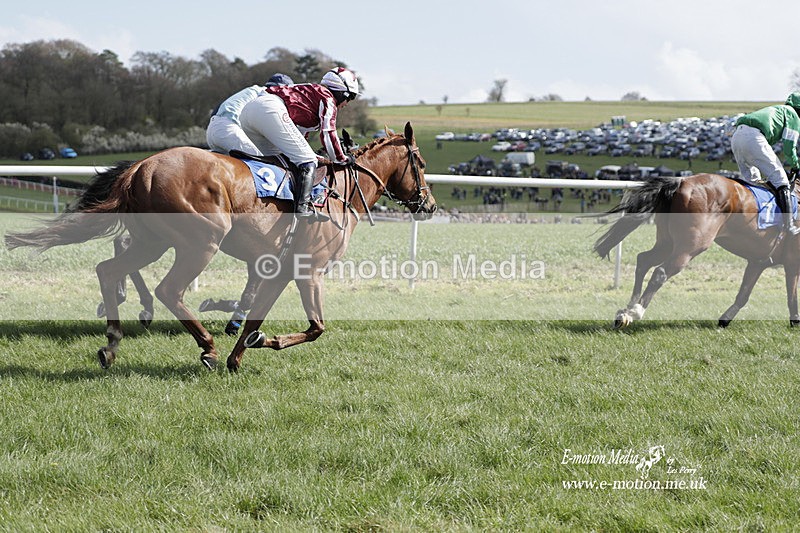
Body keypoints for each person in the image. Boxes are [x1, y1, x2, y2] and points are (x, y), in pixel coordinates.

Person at [237, 67, 359, 218]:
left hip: (248, 112)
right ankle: (302, 207)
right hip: (269, 109)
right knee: (308, 161)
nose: (347, 103)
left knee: (280, 162)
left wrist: (319, 157)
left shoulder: (310, 95)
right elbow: (328, 133)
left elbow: (299, 140)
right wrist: (342, 159)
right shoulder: (328, 98)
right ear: (342, 92)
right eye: (351, 97)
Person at [731, 93, 800, 235]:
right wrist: (796, 166)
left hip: (736, 137)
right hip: (754, 138)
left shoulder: (779, 109)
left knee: (754, 183)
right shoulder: (793, 116)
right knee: (782, 181)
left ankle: (751, 228)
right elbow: (789, 148)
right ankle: (789, 226)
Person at [205, 73, 294, 156]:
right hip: (227, 129)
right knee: (262, 164)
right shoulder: (268, 96)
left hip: (212, 131)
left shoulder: (253, 90)